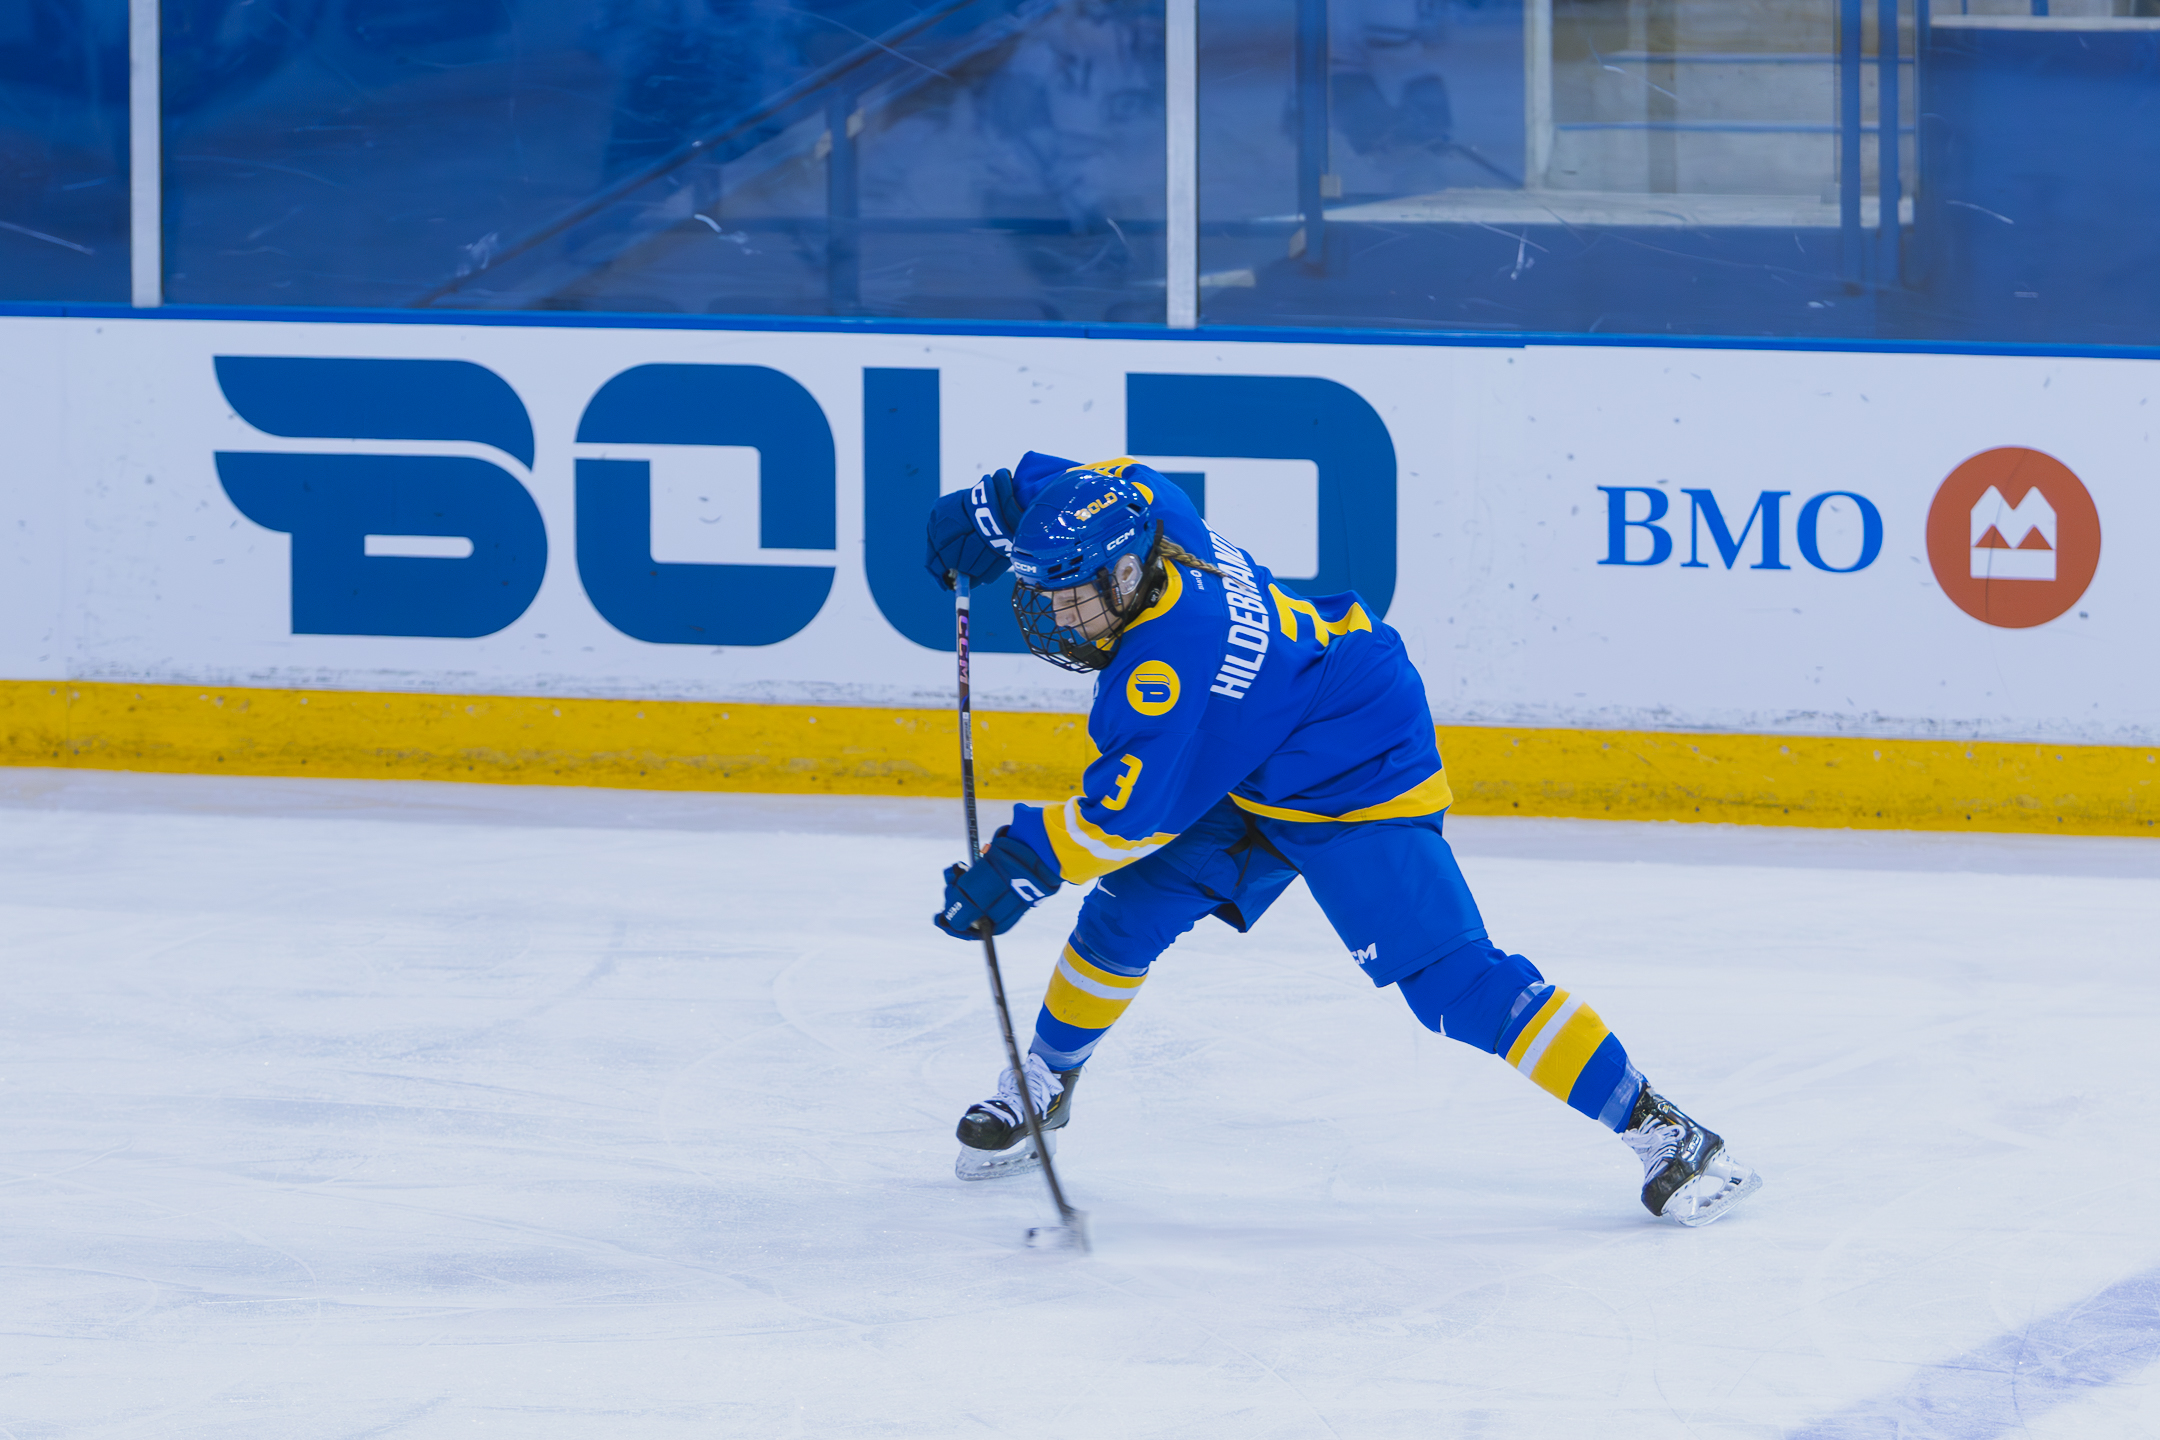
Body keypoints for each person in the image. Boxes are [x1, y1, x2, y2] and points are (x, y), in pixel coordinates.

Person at [922, 452, 1762, 1226]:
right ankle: (1049, 1087)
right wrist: (991, 507)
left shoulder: (1164, 672)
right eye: (1049, 593)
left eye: (1076, 596)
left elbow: (1124, 820)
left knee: (1453, 983)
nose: (1060, 620)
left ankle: (1665, 1130)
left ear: (1132, 569)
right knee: (1124, 916)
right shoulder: (1151, 506)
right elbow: (1074, 482)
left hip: (1354, 762)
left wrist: (1017, 869)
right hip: (1252, 749)